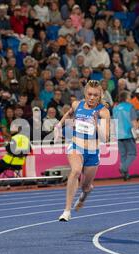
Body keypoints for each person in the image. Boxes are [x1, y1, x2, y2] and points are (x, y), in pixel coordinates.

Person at [55, 80, 111, 222]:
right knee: (75, 171)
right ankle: (67, 211)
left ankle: (85, 194)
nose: (92, 98)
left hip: (92, 151)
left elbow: (106, 139)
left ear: (100, 96)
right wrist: (59, 125)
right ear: (85, 93)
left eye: (95, 95)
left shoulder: (103, 112)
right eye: (89, 94)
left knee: (85, 186)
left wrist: (96, 125)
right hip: (76, 146)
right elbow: (68, 114)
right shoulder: (77, 104)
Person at [113, 91, 139, 181]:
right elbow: (134, 121)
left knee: (123, 155)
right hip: (128, 133)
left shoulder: (115, 108)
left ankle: (126, 175)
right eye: (129, 97)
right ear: (126, 98)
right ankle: (123, 168)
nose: (130, 98)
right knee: (132, 154)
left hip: (118, 134)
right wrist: (137, 132)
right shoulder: (129, 107)